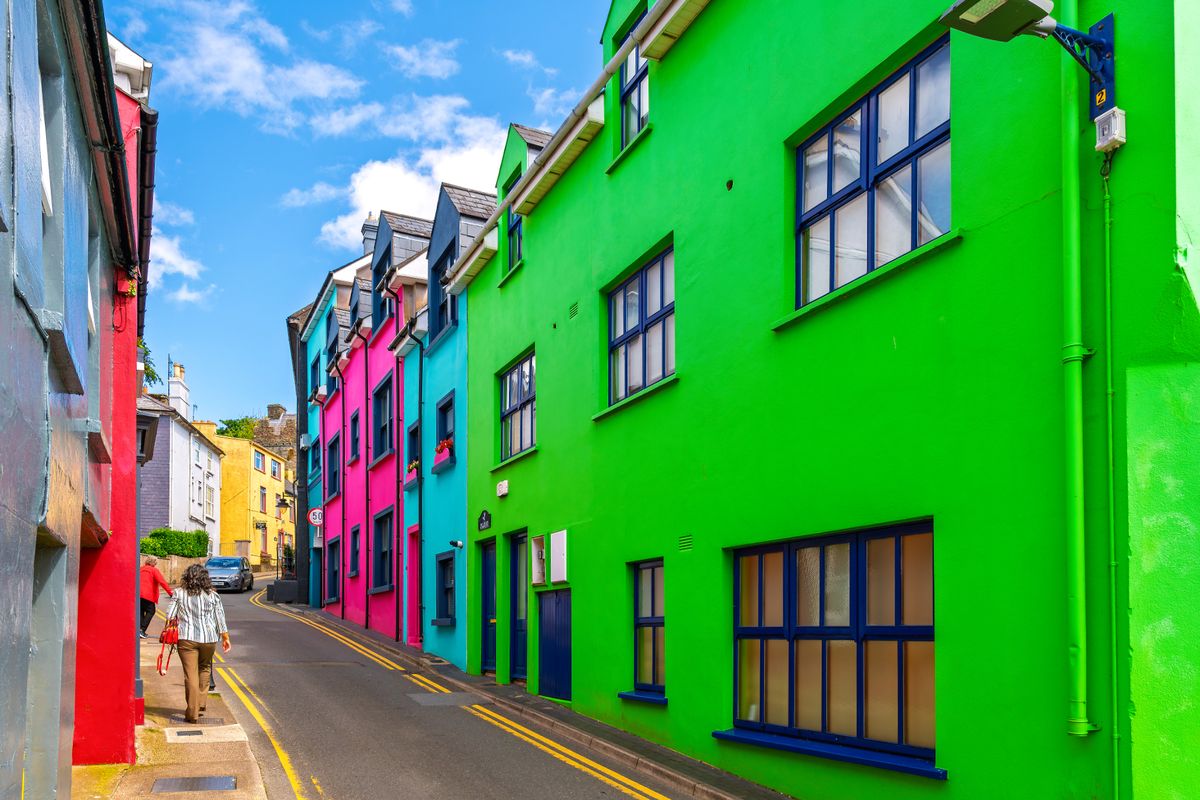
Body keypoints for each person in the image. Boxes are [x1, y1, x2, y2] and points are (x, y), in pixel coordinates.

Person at [166, 564, 232, 723]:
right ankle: (201, 703)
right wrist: (225, 638)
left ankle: (192, 713)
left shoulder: (179, 593)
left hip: (186, 639)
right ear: (205, 579)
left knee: (190, 674)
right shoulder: (213, 595)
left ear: (187, 578)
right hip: (209, 639)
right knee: (205, 668)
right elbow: (220, 619)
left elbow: (170, 615)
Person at [139, 556, 173, 638]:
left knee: (141, 611)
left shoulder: (140, 569)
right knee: (151, 611)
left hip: (137, 594)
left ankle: (139, 630)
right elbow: (162, 582)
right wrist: (170, 593)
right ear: (154, 563)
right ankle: (142, 630)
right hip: (148, 595)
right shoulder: (154, 570)